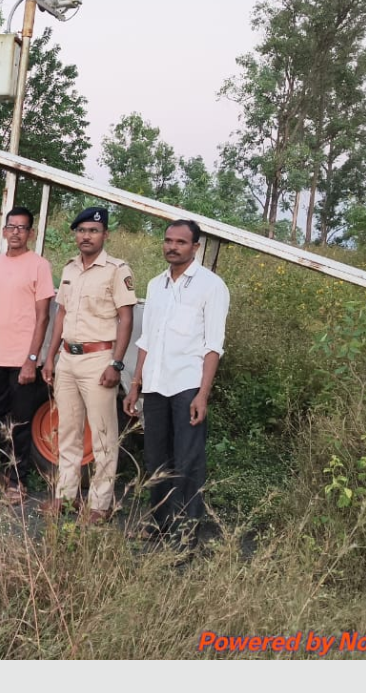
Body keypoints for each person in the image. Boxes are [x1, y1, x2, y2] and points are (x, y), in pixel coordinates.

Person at [124, 220, 229, 547]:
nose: (172, 246)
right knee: (156, 459)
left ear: (195, 247)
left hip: (186, 388)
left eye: (181, 242)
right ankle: (159, 523)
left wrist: (202, 395)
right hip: (155, 385)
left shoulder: (211, 286)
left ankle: (185, 535)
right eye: (168, 240)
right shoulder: (157, 285)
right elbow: (146, 338)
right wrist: (136, 383)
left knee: (187, 462)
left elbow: (213, 345)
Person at [42, 207, 137, 523]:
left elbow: (126, 318)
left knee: (103, 436)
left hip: (99, 360)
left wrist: (117, 364)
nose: (86, 236)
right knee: (67, 432)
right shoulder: (69, 269)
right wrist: (51, 357)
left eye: (93, 231)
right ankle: (65, 497)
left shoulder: (115, 269)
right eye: (81, 231)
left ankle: (100, 504)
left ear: (105, 235)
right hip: (68, 358)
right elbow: (61, 316)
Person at [0, 206, 55, 505]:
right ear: (4, 231)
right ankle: (2, 474)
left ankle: (19, 483)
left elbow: (43, 316)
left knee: (20, 421)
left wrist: (32, 359)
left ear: (30, 233)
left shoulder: (39, 266)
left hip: (22, 359)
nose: (16, 232)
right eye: (11, 227)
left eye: (22, 228)